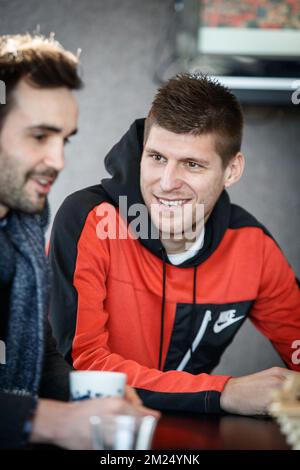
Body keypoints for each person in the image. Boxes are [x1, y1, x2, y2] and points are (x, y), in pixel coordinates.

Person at [49, 73, 300, 417]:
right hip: (92, 433)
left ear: (232, 170)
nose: (167, 183)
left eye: (192, 164)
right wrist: (223, 392)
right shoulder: (89, 219)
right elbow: (84, 370)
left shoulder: (251, 245)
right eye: (156, 158)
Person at [0, 34, 158, 450]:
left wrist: (93, 396)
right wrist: (50, 420)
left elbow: (42, 359)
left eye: (65, 139)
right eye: (39, 137)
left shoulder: (24, 224)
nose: (59, 160)